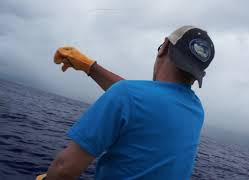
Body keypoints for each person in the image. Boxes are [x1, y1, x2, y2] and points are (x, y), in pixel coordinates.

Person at [37, 25, 215, 180]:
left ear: (165, 46)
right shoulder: (196, 110)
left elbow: (63, 170)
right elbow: (140, 99)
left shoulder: (127, 96)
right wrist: (89, 67)